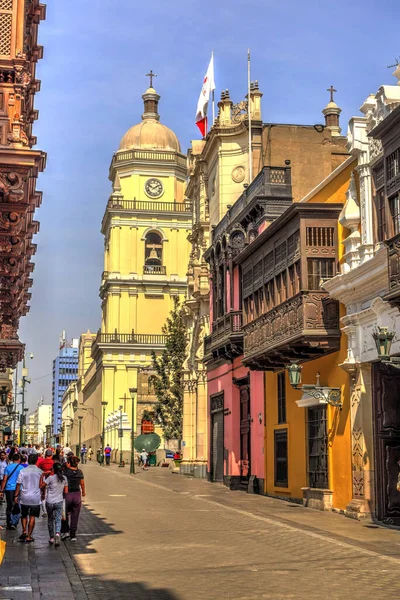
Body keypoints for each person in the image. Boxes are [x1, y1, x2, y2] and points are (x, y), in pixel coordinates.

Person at [14, 454, 42, 542]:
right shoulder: (40, 471)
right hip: (35, 497)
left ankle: (24, 531)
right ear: (36, 461)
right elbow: (42, 485)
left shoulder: (22, 471)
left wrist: (16, 495)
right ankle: (29, 536)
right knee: (32, 516)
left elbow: (18, 484)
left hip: (24, 497)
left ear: (28, 460)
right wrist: (44, 494)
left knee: (24, 515)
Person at [41, 463, 68, 546]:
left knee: (50, 519)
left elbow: (42, 486)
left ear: (53, 469)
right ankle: (57, 534)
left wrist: (42, 476)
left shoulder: (50, 478)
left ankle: (51, 538)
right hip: (59, 501)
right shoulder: (64, 478)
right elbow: (66, 491)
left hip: (49, 502)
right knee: (58, 519)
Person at [62, 455, 85, 541]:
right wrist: (83, 492)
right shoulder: (80, 472)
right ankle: (73, 535)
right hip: (77, 495)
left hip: (67, 494)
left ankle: (65, 531)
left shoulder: (65, 472)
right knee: (75, 515)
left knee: (64, 515)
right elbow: (82, 483)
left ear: (69, 463)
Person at [0, 453, 24, 529]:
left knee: (9, 506)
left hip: (9, 489)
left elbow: (4, 480)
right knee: (17, 505)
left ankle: (9, 522)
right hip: (18, 489)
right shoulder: (21, 468)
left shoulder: (8, 467)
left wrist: (1, 490)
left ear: (12, 459)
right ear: (19, 459)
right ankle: (14, 522)